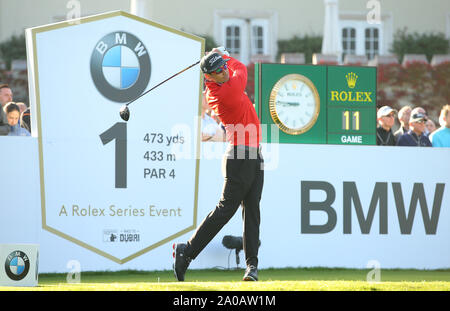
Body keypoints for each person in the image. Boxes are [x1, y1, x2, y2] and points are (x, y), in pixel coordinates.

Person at [173, 48, 264, 282]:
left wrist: (219, 58)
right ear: (209, 78)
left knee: (252, 210)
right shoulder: (224, 93)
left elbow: (231, 70)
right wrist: (223, 54)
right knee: (225, 210)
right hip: (239, 156)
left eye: (224, 68)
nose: (224, 72)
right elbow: (241, 69)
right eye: (218, 71)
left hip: (255, 154)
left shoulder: (222, 79)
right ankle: (187, 251)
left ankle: (251, 267)